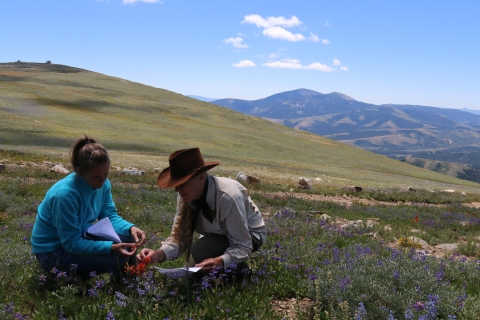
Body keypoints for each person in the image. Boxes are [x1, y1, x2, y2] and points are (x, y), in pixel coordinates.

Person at [137, 147, 266, 276]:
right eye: (176, 184)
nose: (177, 189)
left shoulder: (228, 196)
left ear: (201, 177)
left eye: (183, 182)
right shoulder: (186, 195)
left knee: (200, 251)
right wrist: (159, 254)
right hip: (216, 235)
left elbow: (243, 245)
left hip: (249, 236)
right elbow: (179, 238)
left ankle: (240, 272)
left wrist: (220, 261)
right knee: (191, 273)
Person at [31, 136, 146, 278]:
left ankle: (127, 283)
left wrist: (131, 228)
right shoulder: (65, 195)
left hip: (78, 236)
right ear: (80, 170)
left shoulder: (102, 184)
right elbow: (71, 243)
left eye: (106, 174)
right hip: (52, 252)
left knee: (129, 240)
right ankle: (73, 281)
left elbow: (109, 216)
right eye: (96, 176)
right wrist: (110, 248)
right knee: (119, 257)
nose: (103, 180)